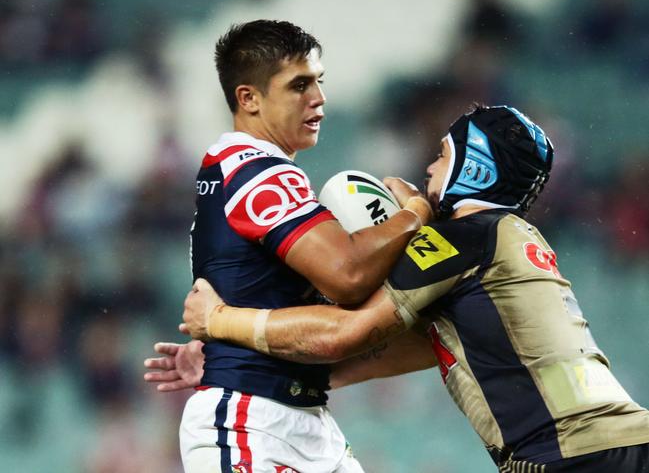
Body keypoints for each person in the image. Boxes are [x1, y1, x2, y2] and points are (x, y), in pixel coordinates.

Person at [154, 105, 649, 472]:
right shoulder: (509, 241)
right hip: (615, 443)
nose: (430, 169)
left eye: (442, 155)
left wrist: (220, 322)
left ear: (473, 167)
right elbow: (402, 347)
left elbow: (347, 333)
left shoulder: (459, 240)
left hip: (573, 457)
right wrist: (239, 360)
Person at [156, 19, 432, 473]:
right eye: (299, 85)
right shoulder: (257, 171)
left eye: (319, 81)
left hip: (299, 417)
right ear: (248, 98)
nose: (318, 98)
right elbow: (348, 274)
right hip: (250, 422)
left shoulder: (239, 170)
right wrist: (414, 215)